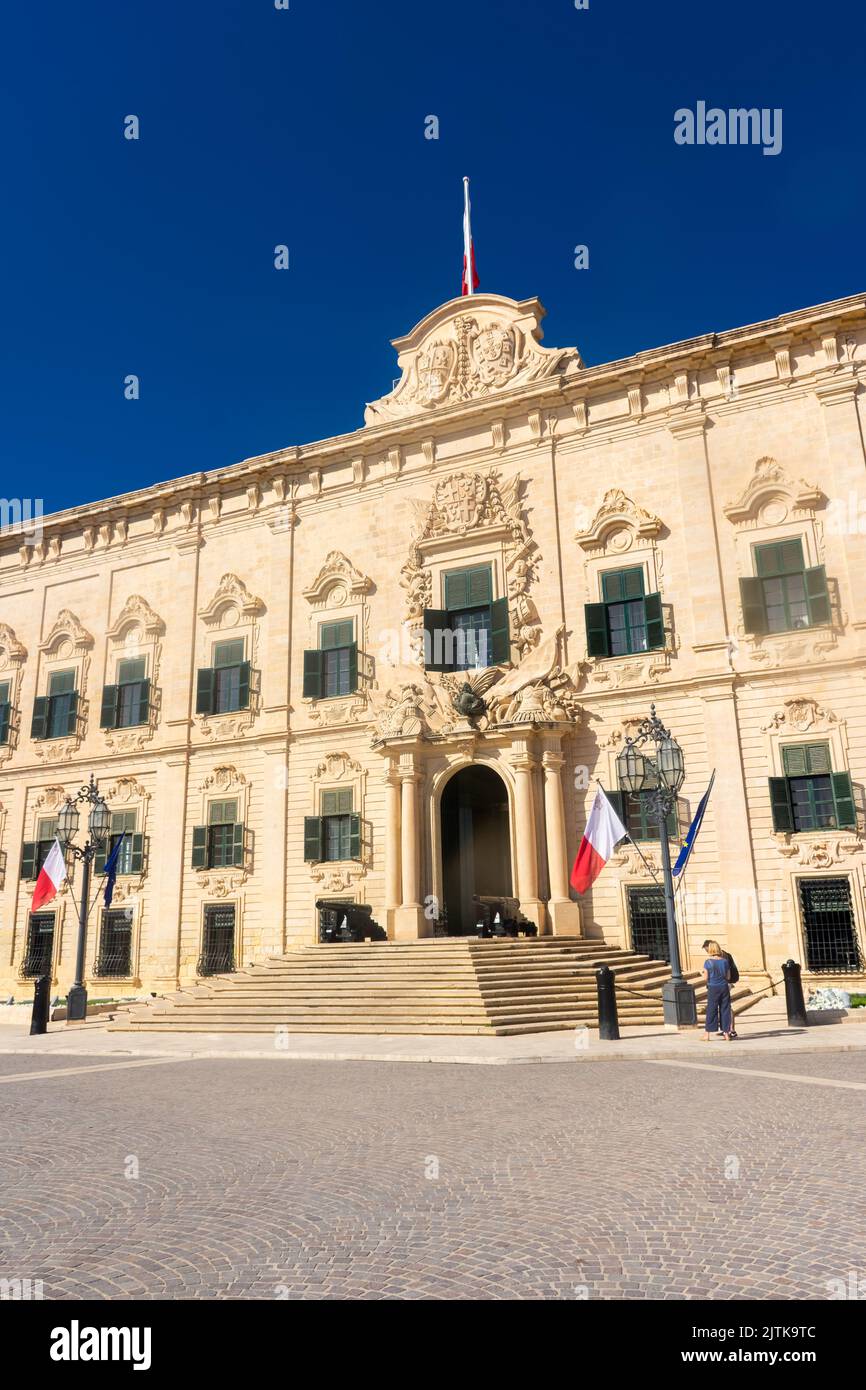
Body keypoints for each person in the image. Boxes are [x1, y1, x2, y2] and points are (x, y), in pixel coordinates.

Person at [702, 938, 739, 1038]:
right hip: (724, 987)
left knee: (711, 1010)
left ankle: (707, 1034)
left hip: (713, 987)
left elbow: (705, 978)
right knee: (725, 1009)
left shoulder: (708, 962)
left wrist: (705, 974)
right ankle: (726, 1033)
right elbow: (728, 977)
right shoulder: (724, 961)